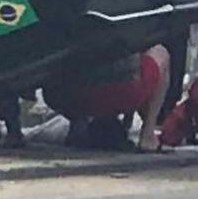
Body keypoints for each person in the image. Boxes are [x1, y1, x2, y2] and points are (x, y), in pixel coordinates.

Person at [43, 45, 171, 152]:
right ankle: (147, 136)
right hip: (122, 92)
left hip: (63, 95)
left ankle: (78, 121)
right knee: (160, 52)